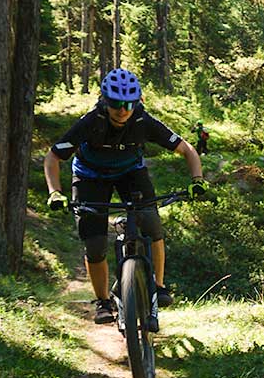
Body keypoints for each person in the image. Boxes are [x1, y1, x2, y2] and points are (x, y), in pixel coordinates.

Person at [44, 68, 207, 324]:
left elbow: (187, 149)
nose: (123, 110)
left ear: (138, 102)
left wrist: (197, 180)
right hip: (90, 176)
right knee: (95, 244)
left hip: (130, 172)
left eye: (129, 104)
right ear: (105, 101)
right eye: (116, 103)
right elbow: (53, 157)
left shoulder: (143, 121)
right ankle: (102, 302)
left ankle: (158, 286)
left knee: (151, 223)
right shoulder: (90, 122)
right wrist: (55, 192)